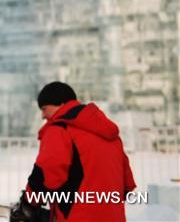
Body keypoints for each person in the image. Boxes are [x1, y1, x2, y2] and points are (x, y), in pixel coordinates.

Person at [10, 82, 136, 222]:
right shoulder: (111, 136)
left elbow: (47, 174)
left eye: (44, 108)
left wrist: (29, 203)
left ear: (61, 104)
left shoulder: (60, 129)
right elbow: (127, 184)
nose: (42, 116)